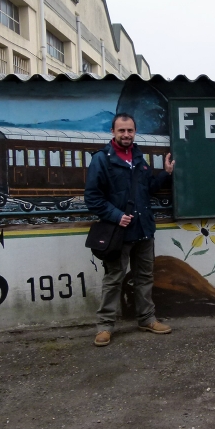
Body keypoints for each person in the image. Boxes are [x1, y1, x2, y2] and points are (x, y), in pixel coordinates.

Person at [85, 113, 175, 347]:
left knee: (144, 277)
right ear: (113, 132)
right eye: (121, 130)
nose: (126, 134)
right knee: (114, 279)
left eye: (130, 131)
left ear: (135, 132)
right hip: (119, 232)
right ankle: (105, 326)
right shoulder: (102, 160)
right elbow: (92, 198)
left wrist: (165, 173)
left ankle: (147, 319)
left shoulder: (139, 157)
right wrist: (116, 216)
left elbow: (147, 190)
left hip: (144, 229)